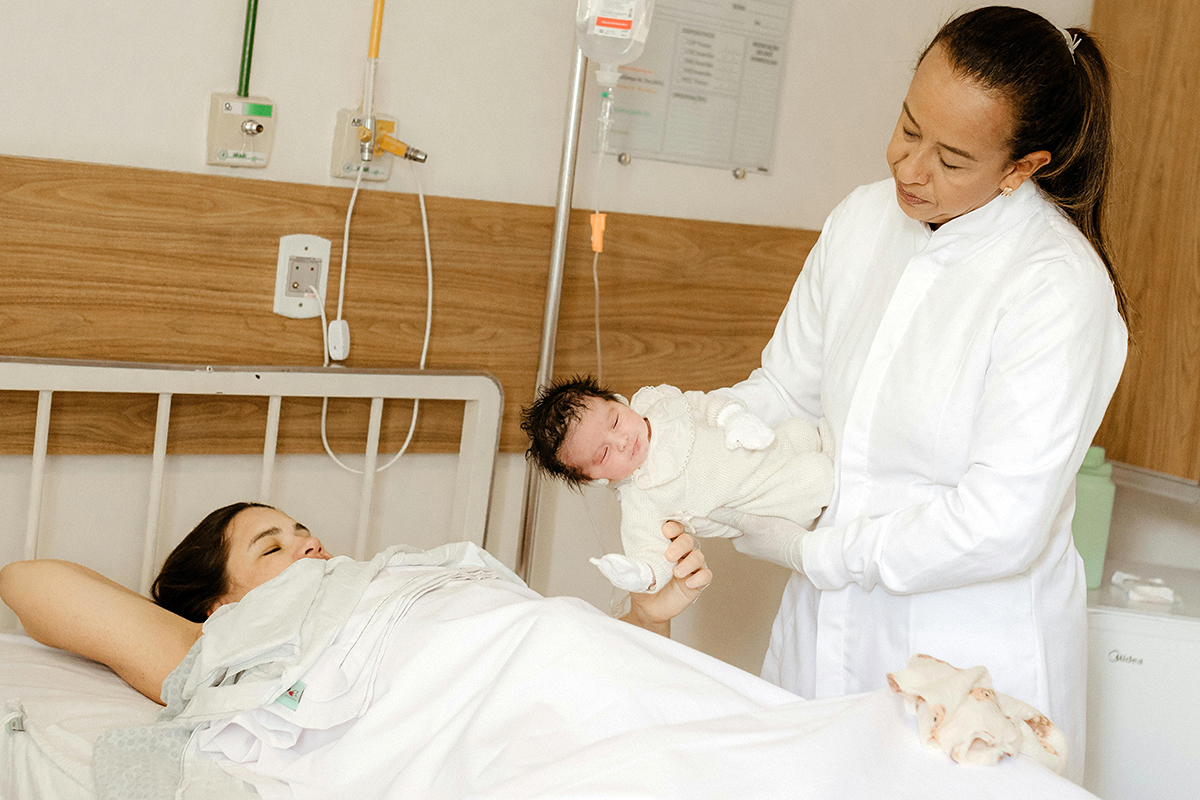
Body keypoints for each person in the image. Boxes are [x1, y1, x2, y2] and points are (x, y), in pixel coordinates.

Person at [706, 6, 1128, 782]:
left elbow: (1002, 519)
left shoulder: (1055, 287)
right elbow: (787, 392)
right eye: (907, 128)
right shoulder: (861, 222)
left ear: (1021, 168)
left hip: (971, 664)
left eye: (953, 158)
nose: (910, 168)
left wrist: (818, 552)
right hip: (823, 633)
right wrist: (687, 448)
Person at [0, 502, 711, 705]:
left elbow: (555, 643)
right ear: (222, 606)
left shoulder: (388, 577)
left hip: (544, 655)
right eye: (272, 548)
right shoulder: (228, 641)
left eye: (303, 530)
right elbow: (27, 582)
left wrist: (652, 614)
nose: (308, 544)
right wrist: (194, 634)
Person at [521, 375, 834, 593]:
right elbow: (652, 552)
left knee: (800, 432)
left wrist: (731, 416)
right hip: (764, 498)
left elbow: (701, 403)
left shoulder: (658, 402)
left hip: (763, 445)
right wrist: (641, 574)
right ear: (595, 479)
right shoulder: (642, 496)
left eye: (615, 420)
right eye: (603, 454)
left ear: (618, 400)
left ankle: (814, 448)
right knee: (814, 478)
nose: (621, 441)